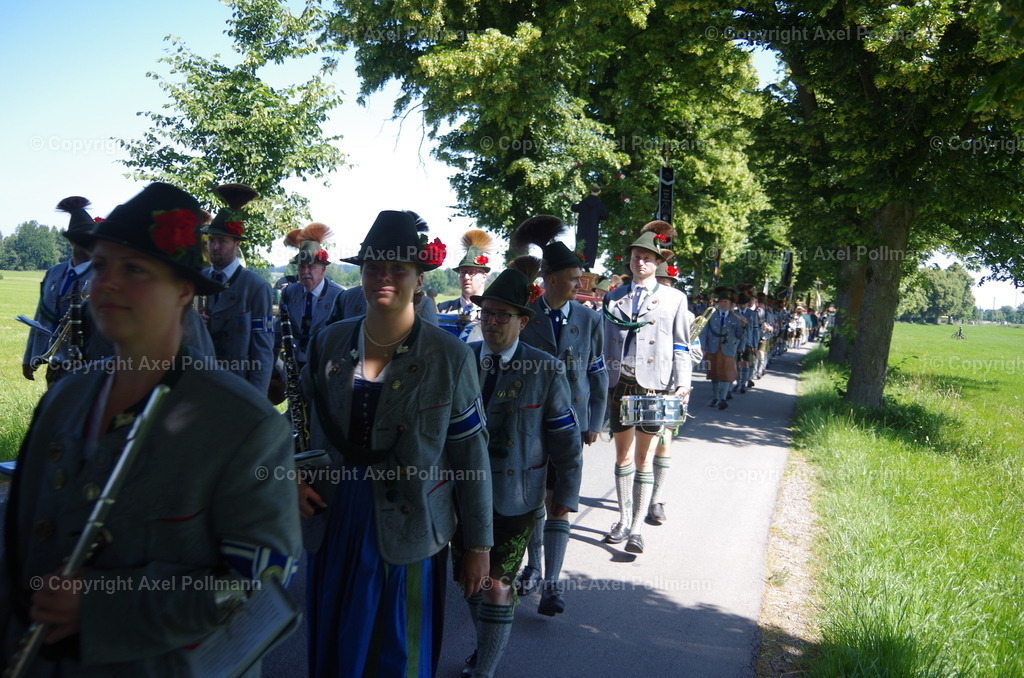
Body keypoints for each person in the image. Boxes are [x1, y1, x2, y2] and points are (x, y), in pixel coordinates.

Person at [0, 182, 301, 676]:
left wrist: (100, 607)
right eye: (100, 266)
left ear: (185, 290)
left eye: (134, 269)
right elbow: (19, 546)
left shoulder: (244, 427)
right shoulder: (65, 398)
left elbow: (257, 587)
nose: (107, 283)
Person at [298, 210, 492, 678]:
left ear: (420, 279)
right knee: (334, 646)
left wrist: (479, 546)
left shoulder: (450, 356)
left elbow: (471, 454)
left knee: (398, 653)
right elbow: (301, 426)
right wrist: (293, 473)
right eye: (372, 267)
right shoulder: (328, 343)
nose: (383, 277)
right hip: (336, 518)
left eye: (397, 268)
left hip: (412, 527)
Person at [457, 268, 582, 677]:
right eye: (486, 314)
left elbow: (566, 439)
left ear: (523, 321)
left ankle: (484, 671)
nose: (491, 322)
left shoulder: (545, 369)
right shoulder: (463, 359)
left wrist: (567, 491)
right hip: (463, 495)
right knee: (470, 584)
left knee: (496, 587)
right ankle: (486, 648)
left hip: (517, 498)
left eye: (501, 316)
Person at [509, 215, 606, 615]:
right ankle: (532, 568)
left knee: (561, 500)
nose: (580, 284)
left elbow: (598, 372)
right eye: (572, 277)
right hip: (530, 423)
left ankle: (552, 585)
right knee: (533, 500)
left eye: (581, 277)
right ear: (549, 278)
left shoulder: (590, 318)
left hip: (573, 424)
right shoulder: (525, 315)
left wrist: (595, 422)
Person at [602, 221, 693, 554]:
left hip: (654, 387)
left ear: (658, 263)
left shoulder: (674, 298)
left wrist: (683, 382)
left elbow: (682, 345)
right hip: (620, 384)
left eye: (647, 257)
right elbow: (603, 344)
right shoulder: (613, 298)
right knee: (622, 454)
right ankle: (623, 519)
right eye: (636, 256)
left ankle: (638, 527)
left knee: (644, 457)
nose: (640, 262)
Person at [201, 183, 274, 395]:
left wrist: (257, 398)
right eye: (211, 240)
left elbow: (263, 348)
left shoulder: (256, 287)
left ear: (236, 244)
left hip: (237, 386)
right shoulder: (199, 280)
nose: (214, 247)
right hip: (201, 382)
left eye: (222, 241)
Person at [22, 197, 104, 384]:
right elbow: (41, 317)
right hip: (57, 362)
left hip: (91, 363)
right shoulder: (54, 273)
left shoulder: (104, 274)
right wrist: (30, 358)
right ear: (72, 241)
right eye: (82, 240)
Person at [277, 222, 344, 366]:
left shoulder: (339, 295)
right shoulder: (289, 292)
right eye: (301, 267)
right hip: (293, 364)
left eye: (311, 266)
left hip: (323, 367)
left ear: (323, 270)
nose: (305, 271)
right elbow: (278, 332)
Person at [700, 287, 747, 410]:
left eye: (725, 302)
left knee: (726, 375)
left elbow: (739, 335)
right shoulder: (711, 315)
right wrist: (702, 347)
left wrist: (742, 326)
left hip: (728, 349)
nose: (723, 304)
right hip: (712, 348)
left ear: (730, 304)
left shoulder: (736, 317)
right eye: (721, 302)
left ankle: (723, 398)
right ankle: (716, 397)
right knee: (714, 374)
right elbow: (704, 332)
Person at [436, 229, 495, 320]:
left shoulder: (493, 313)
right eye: (462, 272)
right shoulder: (442, 309)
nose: (466, 277)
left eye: (471, 272)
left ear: (484, 276)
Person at [570, 185, 609, 269]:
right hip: (592, 229)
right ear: (599, 192)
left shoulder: (584, 201)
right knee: (591, 246)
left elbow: (574, 208)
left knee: (581, 244)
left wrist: (573, 204)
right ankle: (588, 264)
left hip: (582, 229)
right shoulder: (599, 204)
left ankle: (579, 262)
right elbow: (605, 215)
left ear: (590, 191)